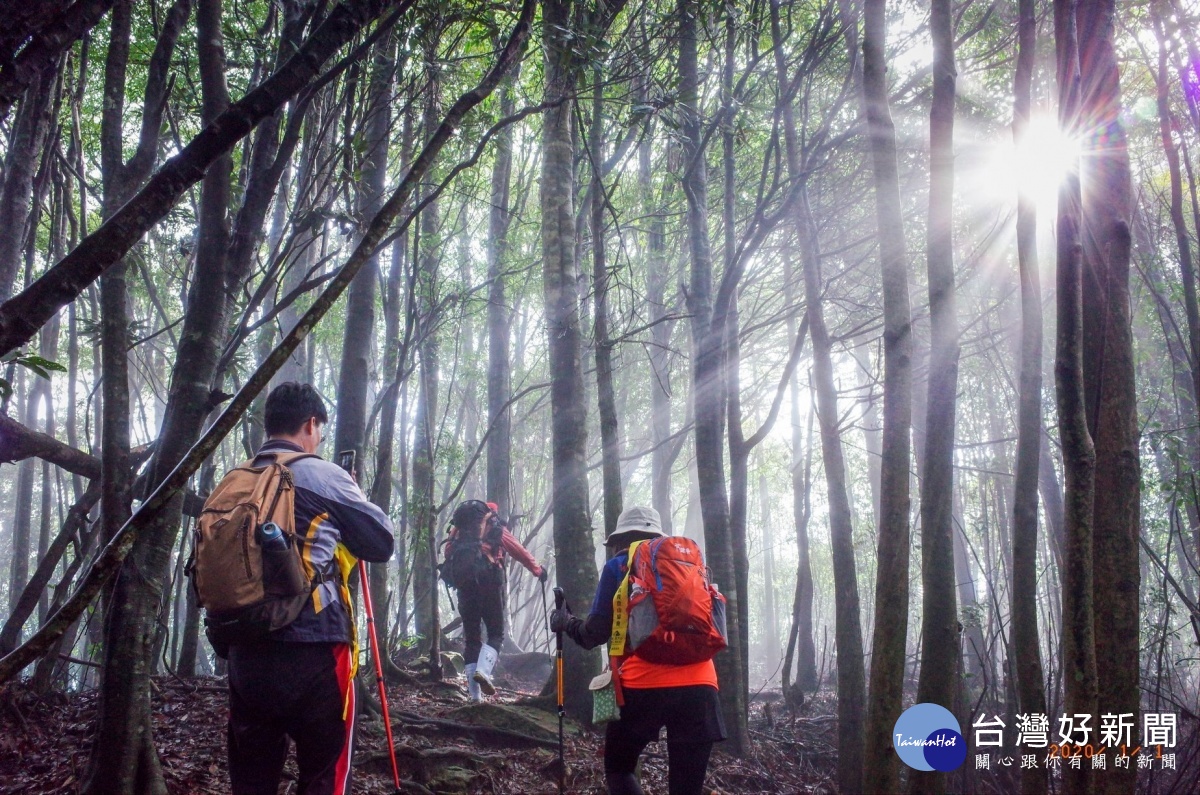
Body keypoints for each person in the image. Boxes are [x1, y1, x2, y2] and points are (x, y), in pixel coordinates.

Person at [226, 382, 394, 795]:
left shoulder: (235, 481)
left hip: (244, 649)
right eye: (319, 429)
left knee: (252, 780)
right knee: (324, 776)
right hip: (315, 649)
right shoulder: (323, 474)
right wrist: (348, 489)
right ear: (311, 423)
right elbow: (380, 543)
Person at [550, 506, 726, 795]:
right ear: (657, 536)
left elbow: (594, 635)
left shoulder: (618, 565)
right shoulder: (691, 566)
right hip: (701, 684)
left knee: (619, 768)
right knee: (687, 789)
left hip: (643, 684)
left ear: (620, 540)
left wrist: (566, 623)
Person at [448, 499, 548, 700]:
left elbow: (447, 552)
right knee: (495, 633)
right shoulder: (496, 526)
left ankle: (475, 697)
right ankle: (484, 672)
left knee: (472, 639)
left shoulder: (458, 531)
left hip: (465, 584)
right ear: (491, 514)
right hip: (489, 580)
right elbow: (517, 550)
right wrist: (537, 570)